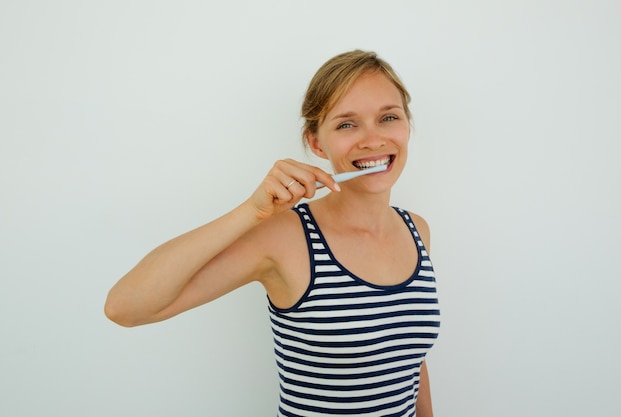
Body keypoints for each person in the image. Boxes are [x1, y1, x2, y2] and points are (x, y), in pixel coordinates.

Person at [105, 50, 440, 417]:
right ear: (315, 142)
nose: (373, 140)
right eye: (347, 124)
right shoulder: (285, 238)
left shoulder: (416, 230)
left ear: (406, 125)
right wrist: (252, 212)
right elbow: (125, 307)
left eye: (388, 117)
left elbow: (408, 360)